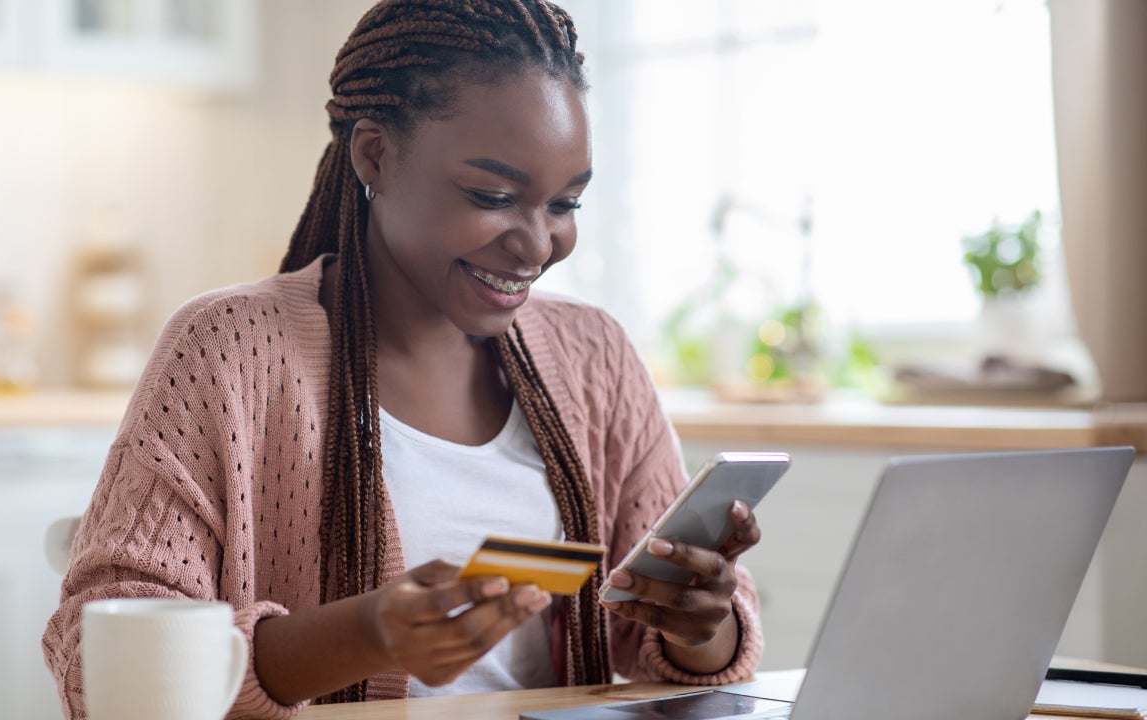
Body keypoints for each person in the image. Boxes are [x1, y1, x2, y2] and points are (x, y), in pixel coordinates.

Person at [42, 1, 764, 717]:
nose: (538, 244)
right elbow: (98, 661)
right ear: (375, 155)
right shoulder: (229, 348)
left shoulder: (594, 355)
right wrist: (363, 635)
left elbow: (668, 656)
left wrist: (704, 625)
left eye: (565, 204)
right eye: (494, 195)